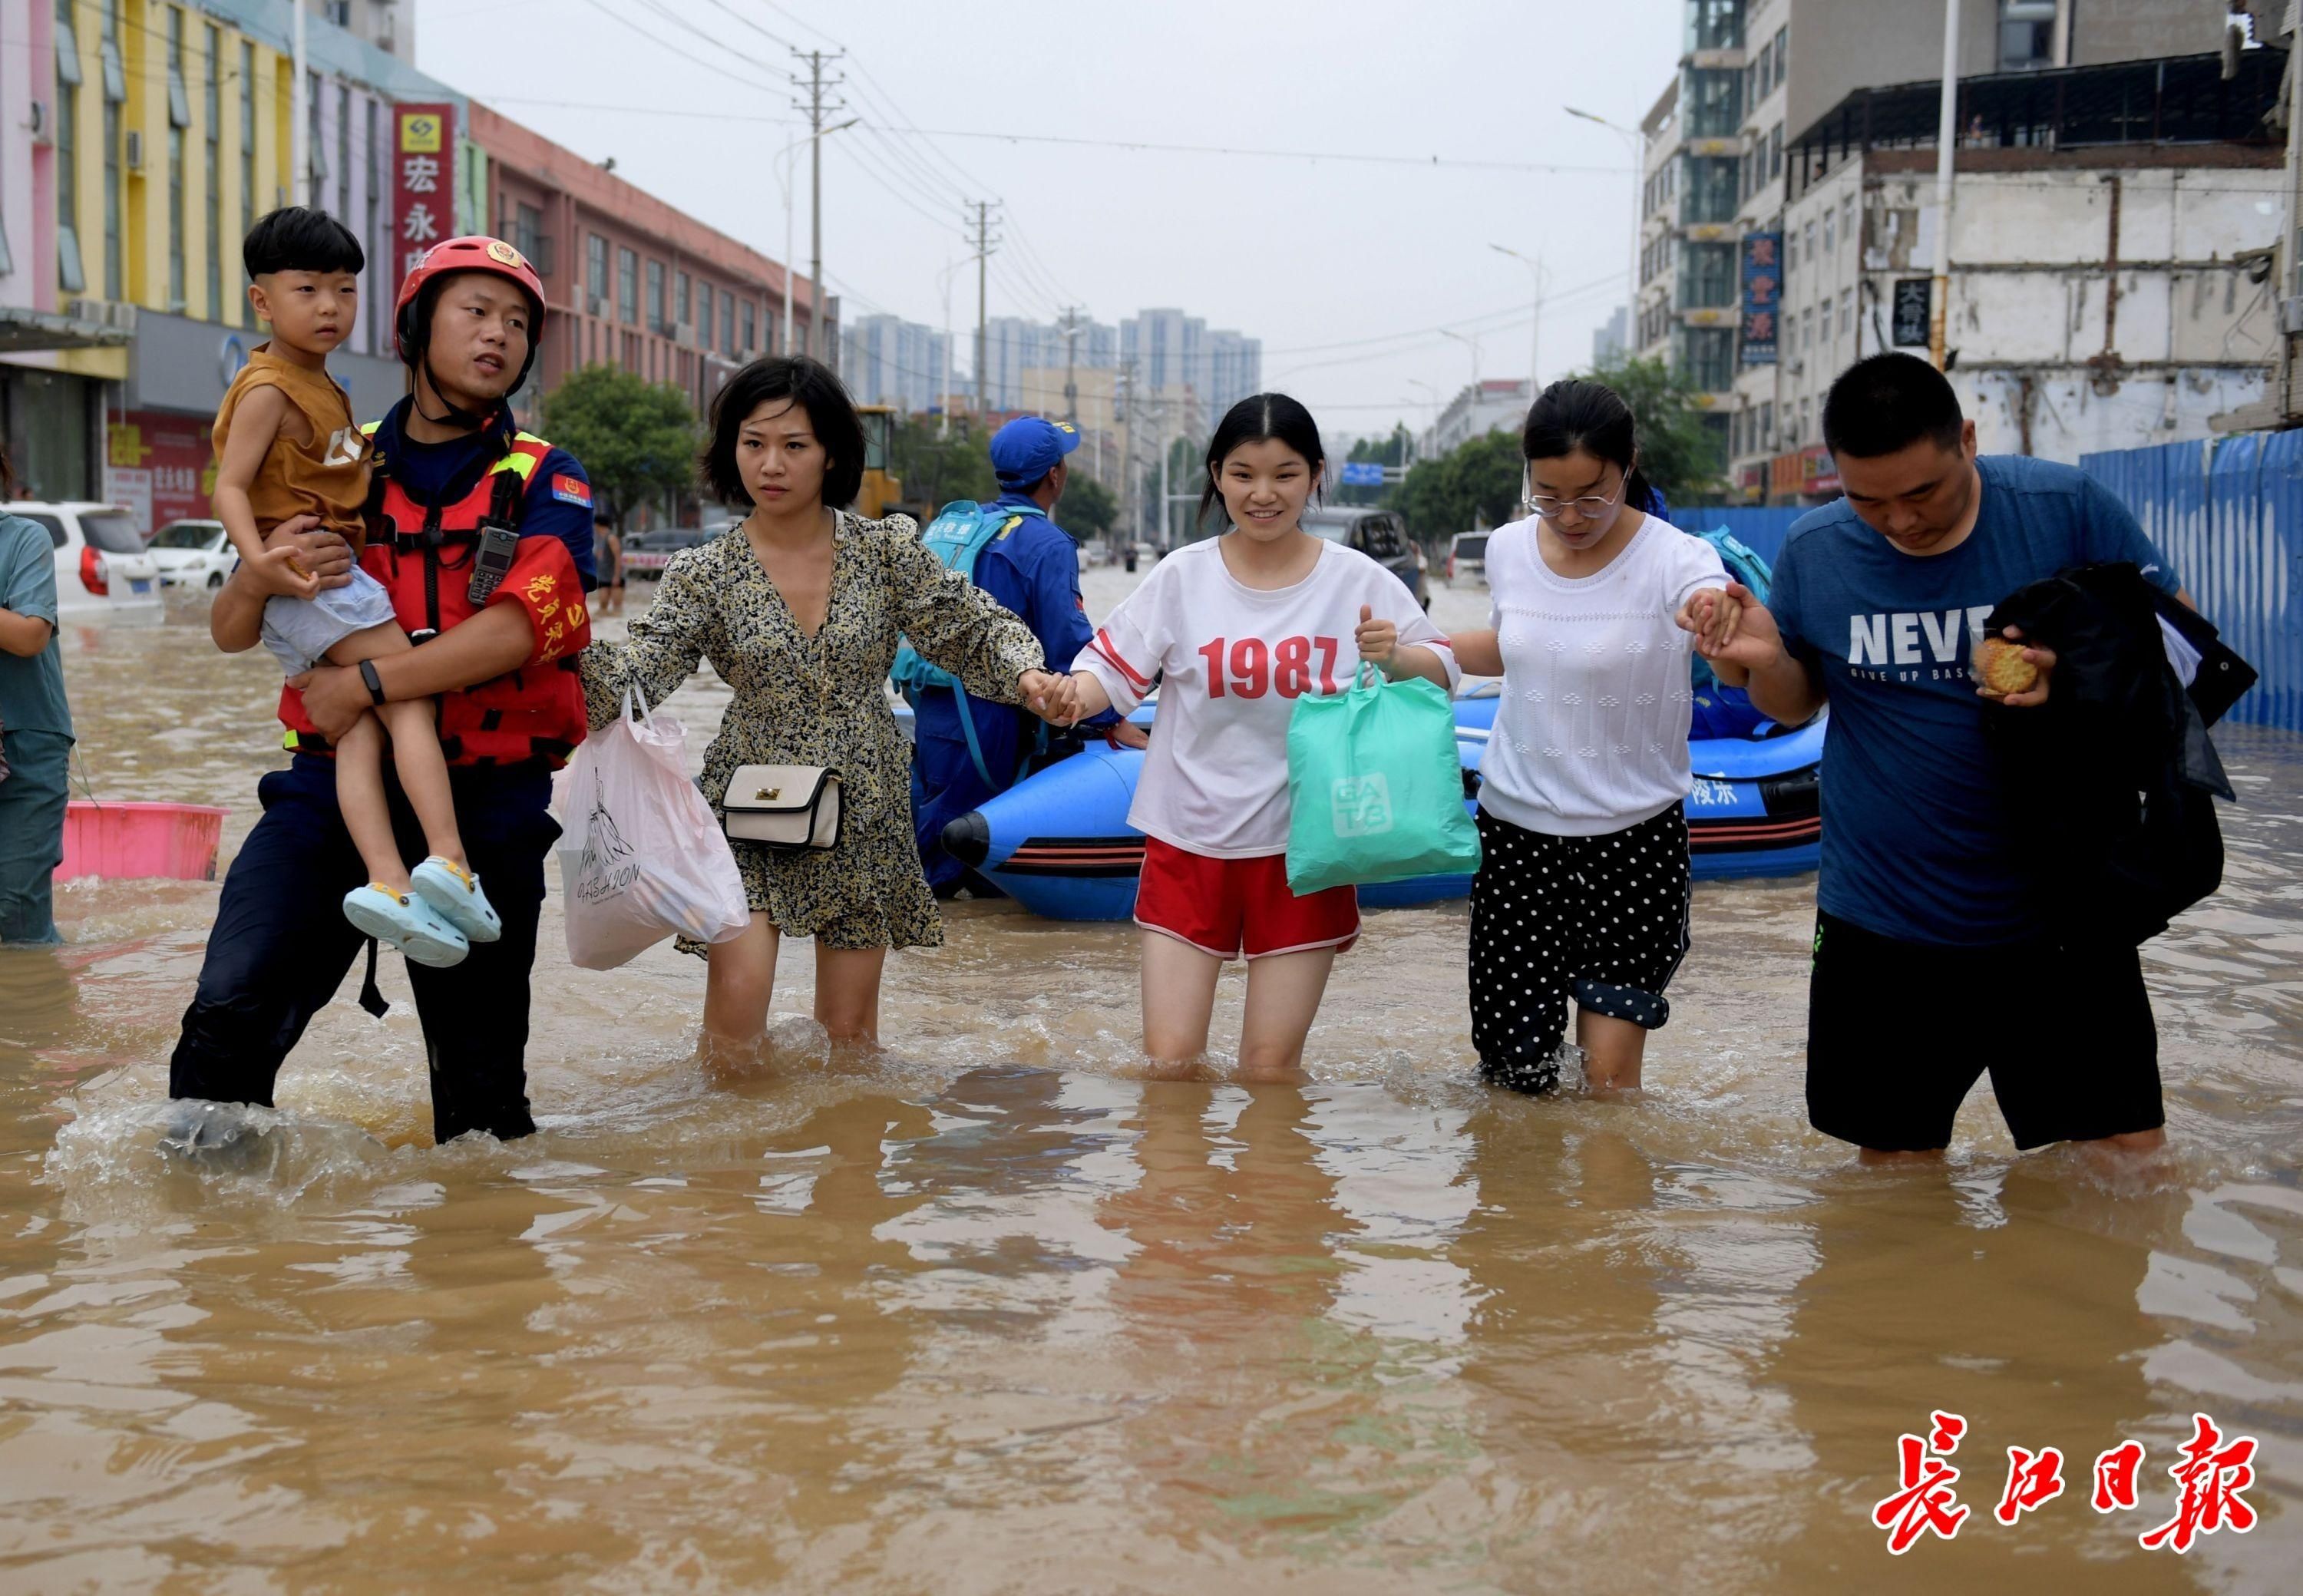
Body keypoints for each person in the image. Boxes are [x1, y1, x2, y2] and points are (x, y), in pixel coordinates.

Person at [1690, 352, 2190, 1163]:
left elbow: (2183, 651)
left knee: (2122, 1159)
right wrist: (1759, 658)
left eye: (1922, 493)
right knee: (1893, 1183)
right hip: (1882, 917)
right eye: (1868, 502)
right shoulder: (1818, 550)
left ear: (1965, 438)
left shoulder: (2062, 510)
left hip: (2063, 909)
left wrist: (2070, 680)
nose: (1900, 522)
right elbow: (1799, 700)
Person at [169, 235, 596, 1146]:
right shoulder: (335, 458)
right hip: (329, 788)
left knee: (481, 1103)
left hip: (483, 800)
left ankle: (470, 1271)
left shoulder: (544, 474)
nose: (499, 337)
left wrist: (360, 682)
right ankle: (212, 1257)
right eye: (474, 313)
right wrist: (258, 574)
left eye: (517, 323)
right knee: (227, 1017)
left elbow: (521, 626)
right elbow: (233, 629)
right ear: (413, 327)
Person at [579, 355, 1071, 1056]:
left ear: (831, 453)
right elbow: (643, 670)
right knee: (734, 1022)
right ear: (731, 451)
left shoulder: (885, 551)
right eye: (753, 443)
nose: (770, 464)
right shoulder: (705, 571)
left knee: (850, 1042)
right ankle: (728, 1161)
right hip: (749, 799)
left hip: (863, 798)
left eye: (793, 445)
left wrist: (1029, 676)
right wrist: (560, 656)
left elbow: (966, 625)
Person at [1048, 393, 1458, 1082]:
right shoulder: (1182, 575)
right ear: (1216, 475)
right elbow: (1108, 675)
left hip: (1308, 849)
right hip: (1188, 839)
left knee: (1269, 1073)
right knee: (1171, 1068)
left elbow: (1441, 670)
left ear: (1316, 474)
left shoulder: (1356, 580)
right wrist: (1065, 696)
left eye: (1285, 474)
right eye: (1242, 474)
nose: (1262, 494)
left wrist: (1395, 656)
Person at [210, 207, 497, 966]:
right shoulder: (270, 387)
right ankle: (450, 861)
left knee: (361, 730)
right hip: (314, 580)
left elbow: (338, 474)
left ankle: (387, 882)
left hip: (305, 583)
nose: (330, 306)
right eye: (307, 290)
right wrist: (259, 562)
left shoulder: (323, 389)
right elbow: (230, 487)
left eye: (344, 290)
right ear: (262, 302)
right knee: (405, 693)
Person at [1444, 380, 1731, 1096]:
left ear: (1627, 466)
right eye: (1549, 496)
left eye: (1592, 495)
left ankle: (1606, 1213)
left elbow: (1710, 599)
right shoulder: (1510, 549)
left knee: (1608, 1089)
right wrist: (1418, 651)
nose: (1570, 516)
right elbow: (1514, 647)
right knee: (1516, 1083)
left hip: (1633, 843)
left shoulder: (1676, 559)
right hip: (1517, 840)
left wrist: (1711, 611)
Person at [907, 414, 1140, 896]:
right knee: (979, 853)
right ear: (1055, 474)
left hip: (932, 702)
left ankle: (929, 964)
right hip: (991, 711)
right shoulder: (1046, 543)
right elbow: (1068, 644)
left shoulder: (963, 526)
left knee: (933, 835)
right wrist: (1108, 716)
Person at [0, 444, 70, 946]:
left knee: (13, 914)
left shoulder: (26, 539)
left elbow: (29, 635)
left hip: (26, 740)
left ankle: (35, 1019)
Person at [593, 512, 625, 617]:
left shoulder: (611, 538)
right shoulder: (599, 539)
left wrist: (616, 576)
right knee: (603, 605)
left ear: (597, 525)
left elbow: (618, 557)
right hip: (603, 575)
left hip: (614, 575)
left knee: (617, 608)